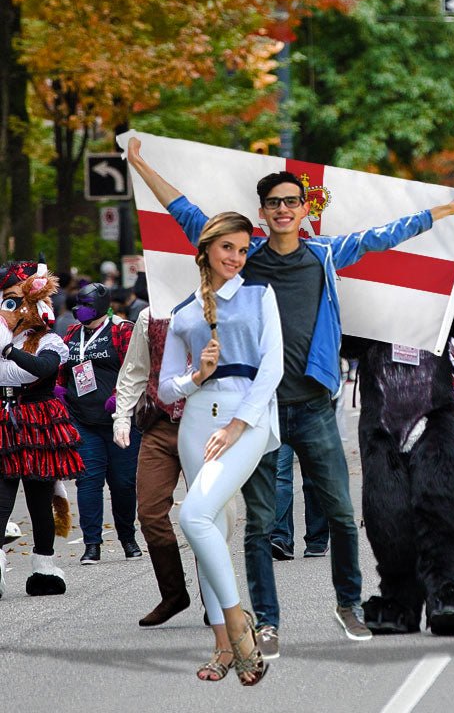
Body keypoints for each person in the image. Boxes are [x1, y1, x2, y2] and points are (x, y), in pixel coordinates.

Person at [127, 136, 454, 656]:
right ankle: (267, 622)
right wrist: (141, 165)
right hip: (256, 411)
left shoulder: (325, 255)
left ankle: (348, 605)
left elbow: (384, 236)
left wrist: (442, 211)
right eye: (274, 203)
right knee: (261, 523)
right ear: (261, 214)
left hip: (313, 407)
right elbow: (185, 212)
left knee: (338, 511)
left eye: (292, 201)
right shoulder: (244, 257)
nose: (284, 209)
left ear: (305, 210)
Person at [158, 211, 280, 684]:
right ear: (207, 248)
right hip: (195, 422)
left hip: (243, 419)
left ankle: (239, 630)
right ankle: (222, 649)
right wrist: (197, 376)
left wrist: (236, 424)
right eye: (228, 247)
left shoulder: (259, 294)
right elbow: (166, 389)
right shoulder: (185, 311)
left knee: (193, 515)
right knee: (211, 529)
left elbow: (272, 367)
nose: (236, 257)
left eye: (243, 249)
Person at [0, 260, 81, 598]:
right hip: (4, 421)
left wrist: (7, 352)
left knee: (39, 500)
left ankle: (44, 567)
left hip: (37, 423)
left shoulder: (49, 341)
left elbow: (41, 370)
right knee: (2, 501)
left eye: (15, 301)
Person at [112, 308, 192, 626]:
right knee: (149, 511)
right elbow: (134, 371)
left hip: (204, 425)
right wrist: (121, 416)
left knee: (206, 514)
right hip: (159, 426)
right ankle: (173, 593)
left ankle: (216, 597)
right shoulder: (150, 316)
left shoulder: (221, 305)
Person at [60, 283, 141, 564]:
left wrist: (120, 397)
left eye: (85, 303)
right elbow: (63, 367)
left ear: (100, 304)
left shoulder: (122, 330)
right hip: (83, 420)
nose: (78, 308)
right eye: (78, 303)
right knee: (88, 482)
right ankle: (92, 544)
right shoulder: (72, 333)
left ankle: (128, 539)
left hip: (121, 420)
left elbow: (137, 369)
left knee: (123, 484)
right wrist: (60, 390)